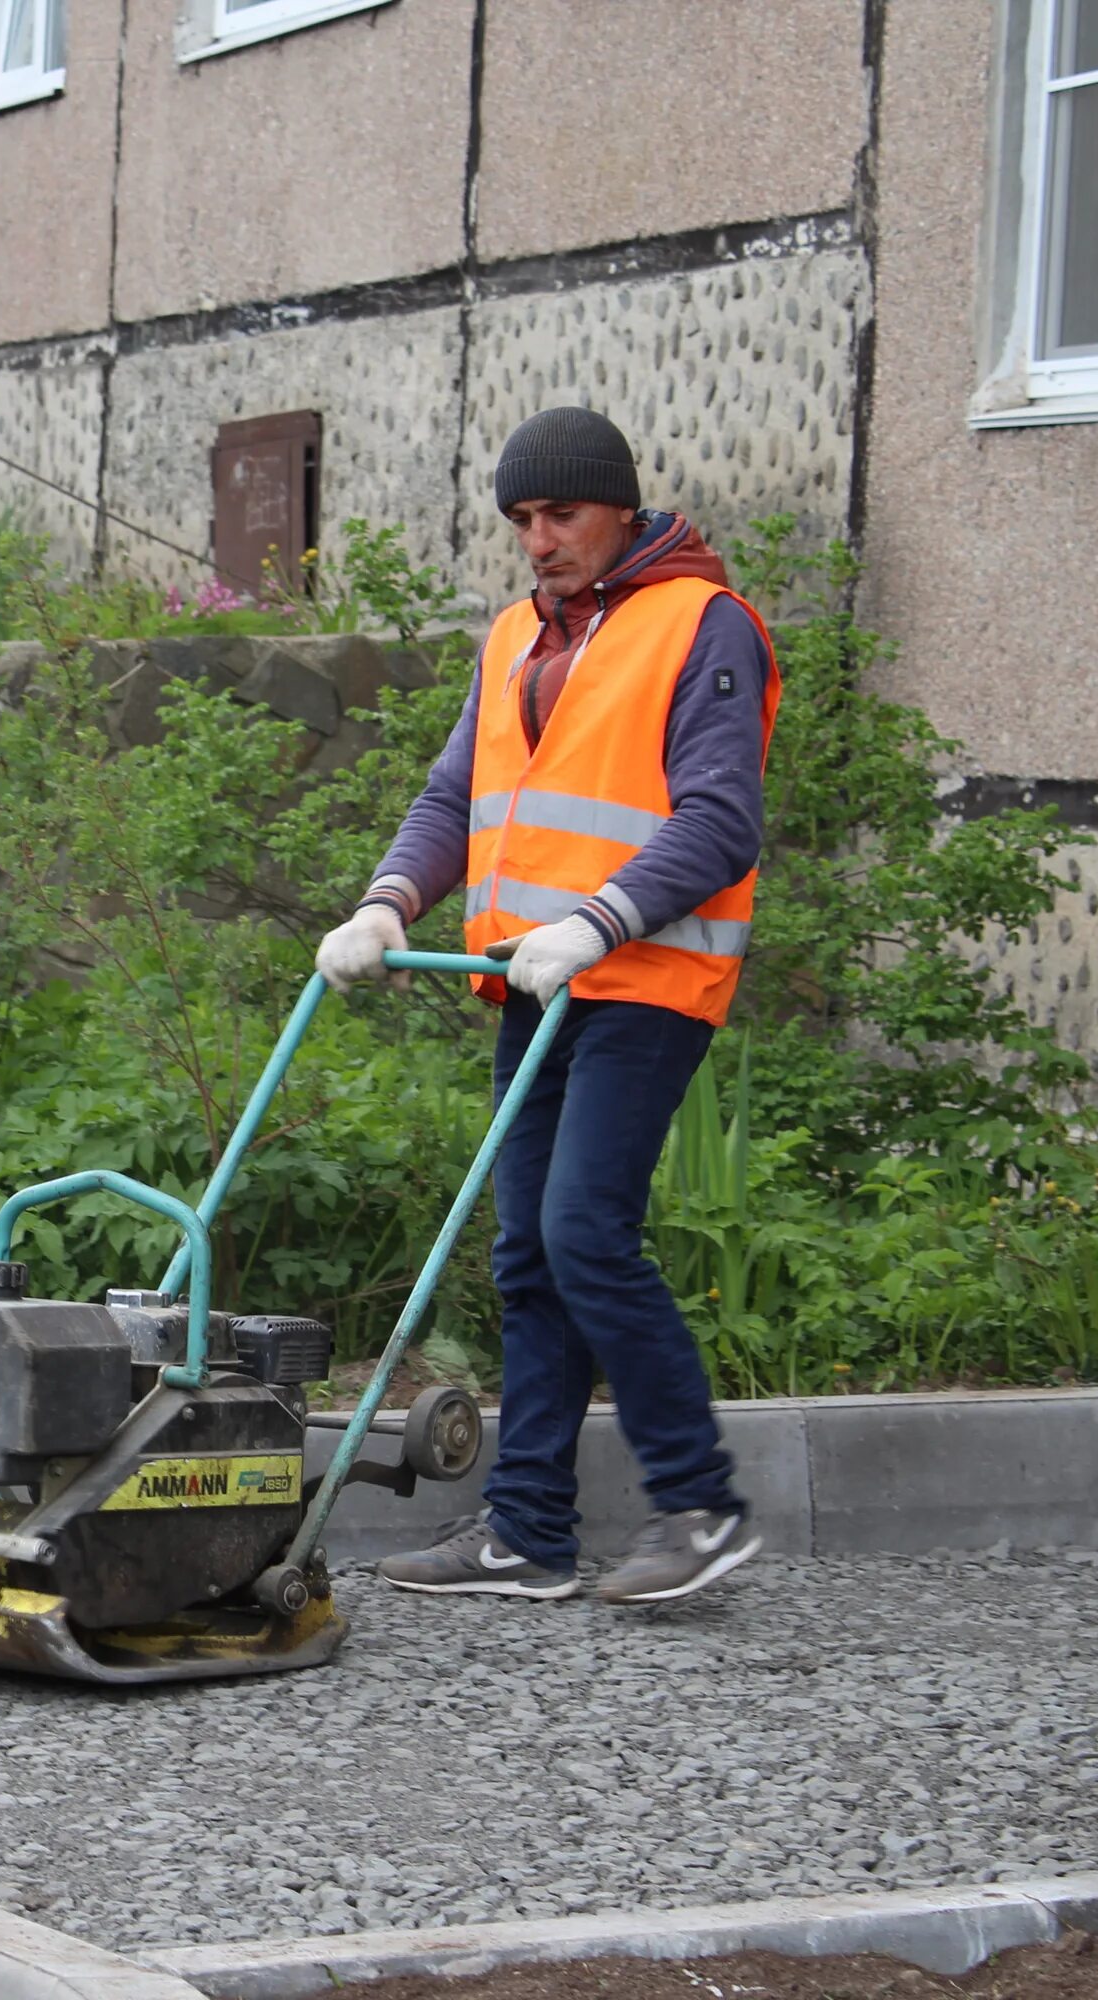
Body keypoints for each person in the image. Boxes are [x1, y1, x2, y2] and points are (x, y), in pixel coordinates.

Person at [316, 406, 779, 1606]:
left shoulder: (704, 625)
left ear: (622, 508)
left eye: (561, 514)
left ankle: (702, 1505)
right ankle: (528, 1530)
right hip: (537, 982)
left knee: (583, 1233)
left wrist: (603, 918)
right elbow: (455, 791)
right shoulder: (518, 635)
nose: (540, 538)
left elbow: (720, 817)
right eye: (523, 519)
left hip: (644, 979)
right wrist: (388, 903)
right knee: (527, 1252)